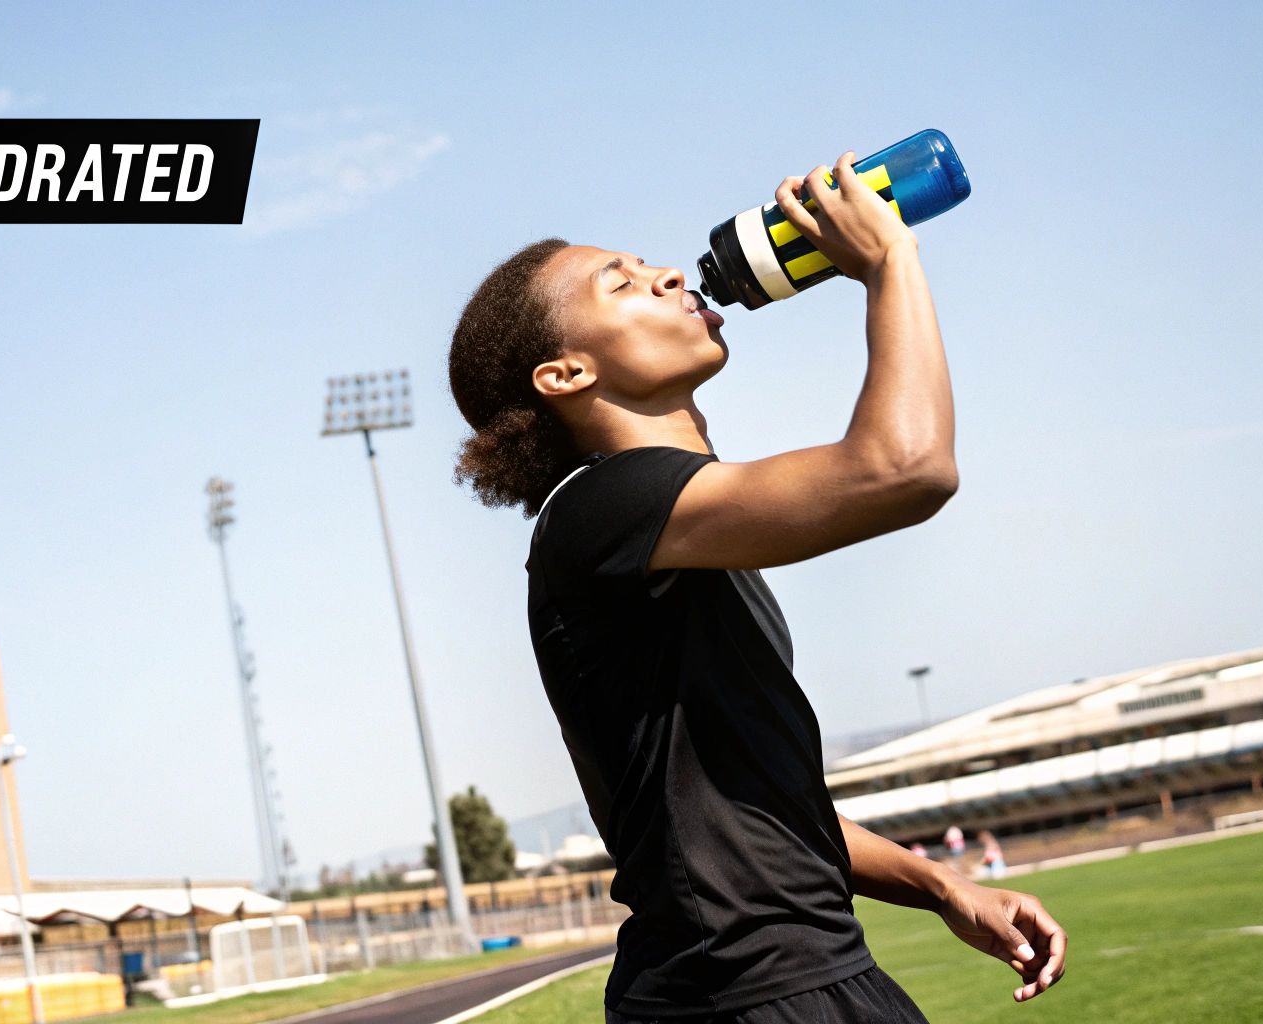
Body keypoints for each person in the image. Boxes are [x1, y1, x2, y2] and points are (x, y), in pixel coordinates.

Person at [446, 152, 1067, 1022]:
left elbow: (760, 810)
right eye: (620, 285)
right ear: (566, 374)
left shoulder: (679, 537)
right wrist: (889, 262)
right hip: (741, 993)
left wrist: (941, 885)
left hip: (799, 976)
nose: (666, 274)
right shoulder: (599, 510)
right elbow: (906, 468)